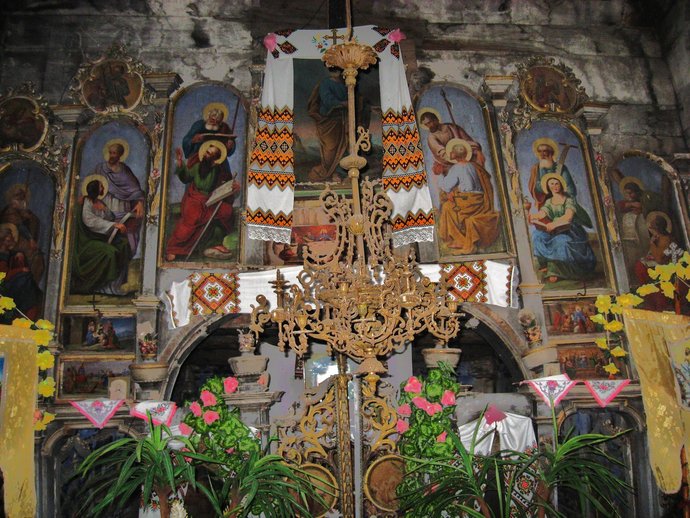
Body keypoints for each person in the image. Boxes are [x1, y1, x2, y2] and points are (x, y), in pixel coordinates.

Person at [165, 140, 240, 261]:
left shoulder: (219, 170)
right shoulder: (198, 167)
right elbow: (186, 177)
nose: (205, 154)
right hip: (194, 198)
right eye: (206, 152)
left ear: (215, 159)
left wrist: (233, 187)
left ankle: (213, 244)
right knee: (194, 217)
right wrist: (180, 164)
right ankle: (174, 248)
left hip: (210, 200)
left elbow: (226, 185)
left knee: (227, 211)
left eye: (209, 154)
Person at [528, 173, 596, 283]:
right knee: (537, 235)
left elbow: (568, 217)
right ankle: (544, 264)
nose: (554, 186)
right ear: (548, 186)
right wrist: (532, 217)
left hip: (571, 231)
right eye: (551, 184)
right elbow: (542, 214)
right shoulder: (549, 201)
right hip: (555, 230)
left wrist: (554, 224)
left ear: (561, 185)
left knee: (561, 241)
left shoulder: (569, 200)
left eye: (557, 184)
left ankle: (558, 271)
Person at [436, 138, 499, 253]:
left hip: (467, 202)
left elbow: (446, 186)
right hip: (479, 201)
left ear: (455, 154)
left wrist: (440, 175)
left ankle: (459, 241)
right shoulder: (474, 166)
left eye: (452, 151)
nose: (450, 153)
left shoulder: (457, 167)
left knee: (446, 207)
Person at [71, 178, 132, 295]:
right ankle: (106, 286)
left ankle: (118, 283)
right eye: (101, 187)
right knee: (110, 252)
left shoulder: (99, 202)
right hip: (87, 240)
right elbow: (90, 221)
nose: (103, 188)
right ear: (95, 189)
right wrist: (113, 225)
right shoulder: (86, 202)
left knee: (123, 244)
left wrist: (105, 210)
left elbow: (111, 217)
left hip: (102, 237)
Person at [90, 141, 145, 254]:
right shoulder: (100, 168)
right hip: (106, 205)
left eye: (114, 153)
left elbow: (135, 188)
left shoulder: (125, 170)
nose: (111, 155)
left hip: (123, 207)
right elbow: (90, 185)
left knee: (126, 237)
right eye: (110, 153)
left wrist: (139, 202)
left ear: (120, 155)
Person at [307, 70, 348, 181]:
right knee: (331, 147)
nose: (336, 72)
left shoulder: (345, 84)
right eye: (333, 69)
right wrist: (342, 103)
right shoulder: (325, 83)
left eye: (338, 69)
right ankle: (330, 172)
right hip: (329, 120)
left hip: (343, 119)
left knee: (344, 145)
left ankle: (340, 172)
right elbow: (327, 100)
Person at [0, 183, 44, 284]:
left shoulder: (20, 213)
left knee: (35, 256)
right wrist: (30, 239)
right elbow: (20, 227)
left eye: (21, 200)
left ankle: (28, 281)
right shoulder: (9, 212)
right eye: (17, 199)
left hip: (14, 241)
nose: (20, 203)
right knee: (34, 256)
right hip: (10, 243)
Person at [418, 109, 485, 175]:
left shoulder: (451, 127)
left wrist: (476, 150)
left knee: (479, 168)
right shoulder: (431, 137)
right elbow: (442, 154)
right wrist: (458, 157)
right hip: (449, 164)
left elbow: (467, 141)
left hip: (466, 156)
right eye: (426, 124)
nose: (429, 126)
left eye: (429, 122)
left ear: (436, 119)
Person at [0, 222, 42, 321]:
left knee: (26, 279)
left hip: (10, 282)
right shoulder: (1, 255)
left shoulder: (8, 252)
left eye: (12, 238)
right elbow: (4, 275)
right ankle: (28, 313)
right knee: (25, 280)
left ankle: (29, 313)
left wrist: (18, 256)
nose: (12, 241)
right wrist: (20, 270)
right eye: (8, 240)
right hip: (4, 285)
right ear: (3, 241)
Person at [527, 138, 577, 210]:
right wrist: (542, 170)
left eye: (545, 151)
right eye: (539, 151)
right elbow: (535, 188)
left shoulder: (561, 167)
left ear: (551, 153)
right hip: (545, 205)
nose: (542, 154)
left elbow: (570, 189)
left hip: (562, 204)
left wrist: (561, 196)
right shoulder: (536, 168)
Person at [182, 103, 236, 168]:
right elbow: (186, 140)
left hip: (218, 160)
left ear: (220, 121)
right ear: (209, 116)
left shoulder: (225, 127)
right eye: (212, 119)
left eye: (217, 120)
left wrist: (231, 146)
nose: (214, 122)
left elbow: (231, 143)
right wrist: (193, 140)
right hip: (198, 157)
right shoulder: (199, 125)